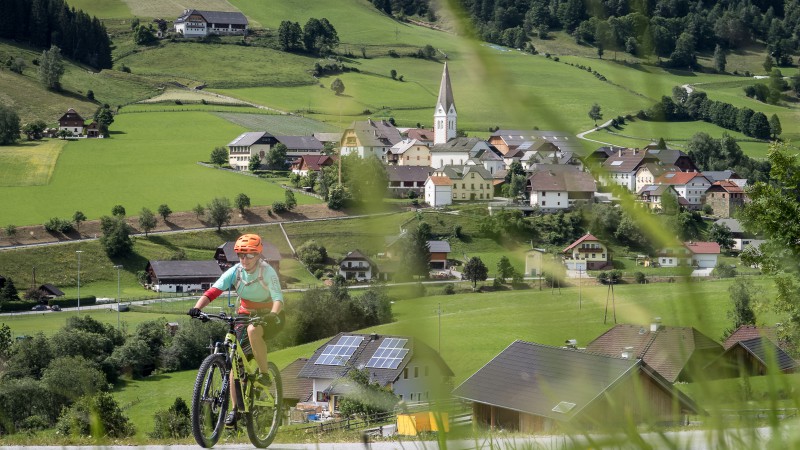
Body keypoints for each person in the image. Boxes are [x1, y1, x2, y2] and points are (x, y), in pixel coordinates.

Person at [188, 233, 284, 426]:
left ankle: (264, 374)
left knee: (252, 330)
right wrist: (197, 308)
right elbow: (214, 291)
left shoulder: (267, 272)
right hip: (244, 313)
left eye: (249, 255)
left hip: (270, 315)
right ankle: (235, 409)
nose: (244, 260)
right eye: (241, 255)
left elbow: (278, 299)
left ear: (258, 255)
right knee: (234, 362)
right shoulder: (236, 271)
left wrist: (272, 315)